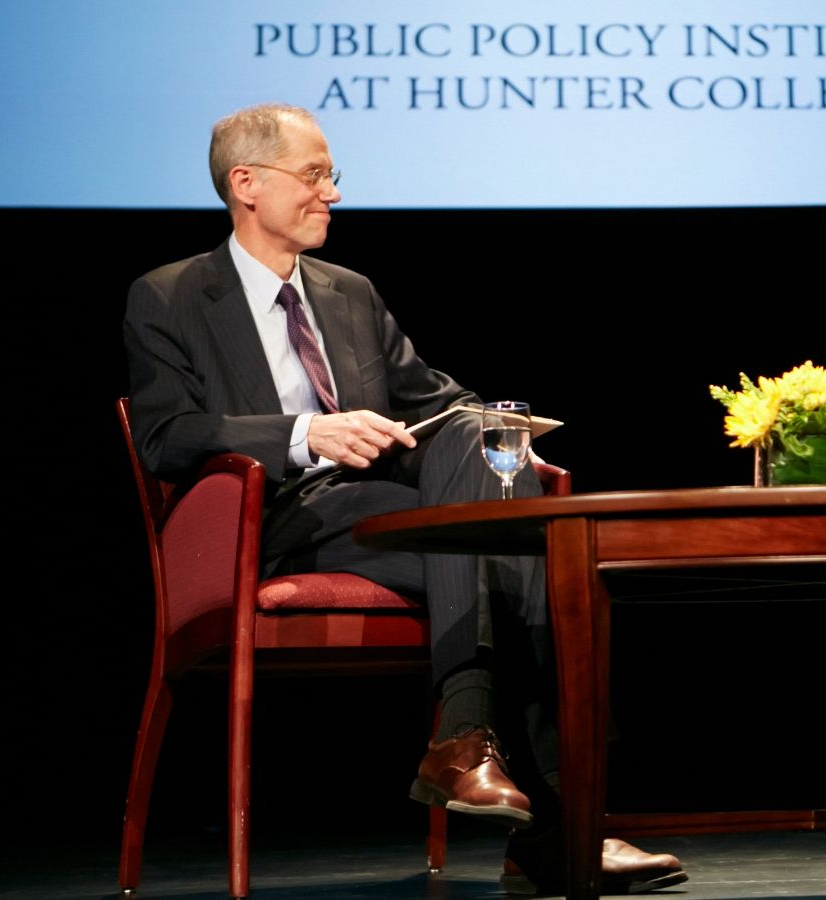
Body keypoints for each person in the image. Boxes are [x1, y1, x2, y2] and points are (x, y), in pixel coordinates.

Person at [123, 102, 686, 895]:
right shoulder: (172, 295)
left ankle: (465, 749)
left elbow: (436, 400)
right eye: (315, 175)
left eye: (332, 175)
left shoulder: (349, 292)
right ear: (245, 184)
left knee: (487, 460)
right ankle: (562, 833)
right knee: (528, 561)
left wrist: (508, 431)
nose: (334, 193)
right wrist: (303, 434)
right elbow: (167, 436)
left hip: (387, 514)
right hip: (277, 516)